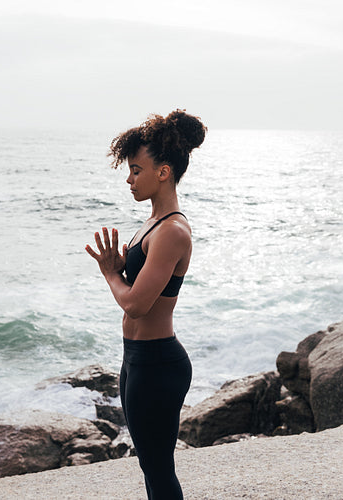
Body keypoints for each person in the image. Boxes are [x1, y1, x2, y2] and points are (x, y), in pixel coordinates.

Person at [85, 109, 206, 500]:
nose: (129, 178)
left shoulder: (171, 230)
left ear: (163, 172)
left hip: (157, 364)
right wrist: (122, 268)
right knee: (150, 466)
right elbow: (140, 289)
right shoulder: (153, 223)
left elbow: (136, 305)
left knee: (157, 467)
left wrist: (110, 274)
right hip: (137, 358)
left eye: (137, 169)